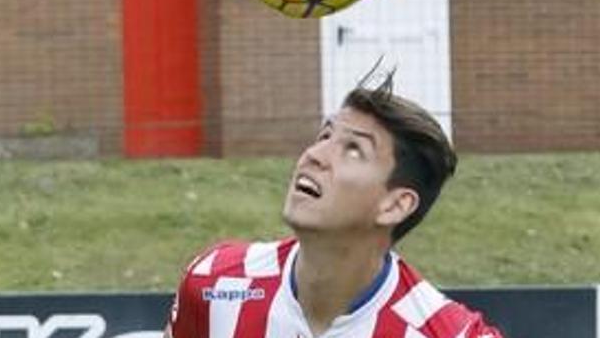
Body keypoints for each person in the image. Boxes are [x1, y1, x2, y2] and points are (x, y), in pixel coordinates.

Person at [165, 69, 504, 337]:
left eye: (353, 150)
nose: (314, 155)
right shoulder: (215, 283)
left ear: (395, 205)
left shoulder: (452, 333)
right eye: (325, 136)